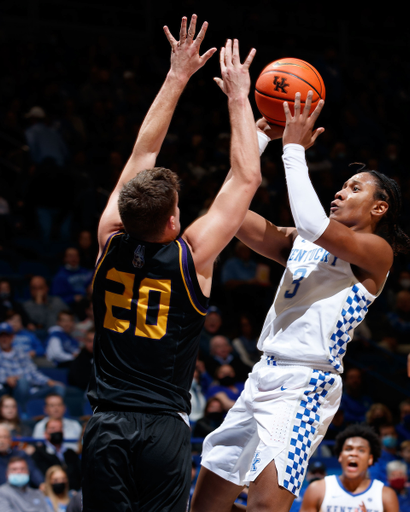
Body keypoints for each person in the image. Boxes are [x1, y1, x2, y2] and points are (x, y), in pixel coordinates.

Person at [191, 90, 410, 512]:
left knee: (264, 506)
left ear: (379, 208)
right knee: (204, 505)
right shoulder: (299, 239)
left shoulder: (375, 252)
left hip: (306, 383)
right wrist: (257, 141)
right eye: (343, 185)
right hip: (261, 375)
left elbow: (313, 223)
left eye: (355, 187)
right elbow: (227, 213)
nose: (342, 192)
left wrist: (293, 148)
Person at [81, 14, 262, 512]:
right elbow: (245, 179)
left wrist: (175, 76)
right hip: (163, 430)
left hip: (107, 423)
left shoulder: (108, 239)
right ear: (171, 221)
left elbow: (144, 149)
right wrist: (238, 98)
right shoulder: (192, 256)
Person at [298, 423, 398, 512]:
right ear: (340, 456)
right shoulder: (317, 489)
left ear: (370, 459)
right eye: (348, 449)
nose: (353, 453)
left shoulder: (386, 495)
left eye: (361, 450)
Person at [0, 322, 65, 411]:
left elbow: (33, 372)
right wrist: (6, 379)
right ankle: (22, 413)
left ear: (12, 337)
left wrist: (49, 381)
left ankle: (50, 416)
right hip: (11, 392)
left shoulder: (21, 352)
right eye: (1, 336)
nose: (4, 339)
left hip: (31, 390)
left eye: (7, 336)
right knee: (22, 381)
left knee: (58, 387)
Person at [30, 418, 81, 491]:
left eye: (60, 428)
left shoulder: (71, 453)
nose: (57, 431)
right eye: (53, 428)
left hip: (75, 493)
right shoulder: (38, 454)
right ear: (45, 434)